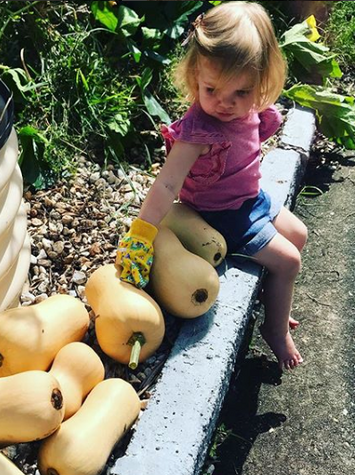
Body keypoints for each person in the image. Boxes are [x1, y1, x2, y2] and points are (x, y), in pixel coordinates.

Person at [115, 1, 308, 371]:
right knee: (289, 261)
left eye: (241, 92)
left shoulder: (247, 106)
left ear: (262, 80)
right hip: (222, 214)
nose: (225, 102)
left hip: (250, 199)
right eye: (212, 89)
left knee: (298, 233)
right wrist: (142, 232)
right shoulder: (198, 132)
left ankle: (273, 302)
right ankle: (275, 330)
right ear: (195, 76)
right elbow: (167, 183)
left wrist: (247, 101)